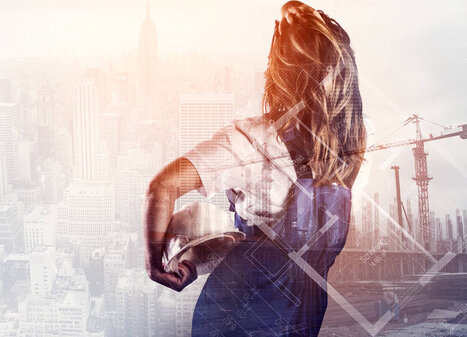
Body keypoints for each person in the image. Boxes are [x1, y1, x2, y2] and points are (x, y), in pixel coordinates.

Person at [142, 1, 367, 336]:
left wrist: (157, 266)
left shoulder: (249, 141)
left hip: (230, 319)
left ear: (278, 69)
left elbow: (161, 188)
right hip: (299, 324)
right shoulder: (350, 147)